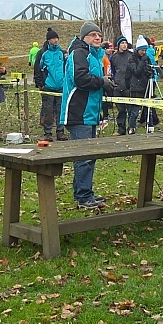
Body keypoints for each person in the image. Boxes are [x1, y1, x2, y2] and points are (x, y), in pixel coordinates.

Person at [62, 21, 115, 209]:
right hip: (78, 111)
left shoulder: (94, 56)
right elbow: (81, 79)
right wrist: (102, 81)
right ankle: (83, 196)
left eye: (99, 35)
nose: (97, 38)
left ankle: (84, 192)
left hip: (90, 112)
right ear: (84, 37)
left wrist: (105, 85)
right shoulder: (79, 53)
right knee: (83, 156)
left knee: (89, 155)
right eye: (93, 35)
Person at [34, 28, 67, 142]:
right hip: (48, 86)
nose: (55, 40)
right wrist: (40, 84)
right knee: (48, 111)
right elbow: (37, 69)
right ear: (48, 40)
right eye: (53, 38)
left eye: (56, 38)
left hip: (61, 87)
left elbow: (65, 68)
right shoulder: (43, 53)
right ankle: (47, 132)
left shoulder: (61, 53)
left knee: (60, 110)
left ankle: (60, 132)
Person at [128, 37, 156, 131]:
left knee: (148, 109)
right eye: (142, 50)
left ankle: (150, 127)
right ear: (138, 49)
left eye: (145, 50)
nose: (143, 52)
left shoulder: (146, 58)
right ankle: (132, 127)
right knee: (135, 111)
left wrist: (149, 71)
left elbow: (148, 70)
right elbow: (136, 72)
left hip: (146, 86)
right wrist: (142, 61)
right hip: (136, 87)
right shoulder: (132, 58)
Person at [110, 36, 135, 135]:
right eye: (122, 43)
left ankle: (131, 128)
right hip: (117, 86)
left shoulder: (131, 55)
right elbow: (113, 70)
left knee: (130, 109)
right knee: (121, 110)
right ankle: (121, 129)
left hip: (128, 86)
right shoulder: (114, 57)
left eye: (126, 43)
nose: (124, 45)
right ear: (118, 45)